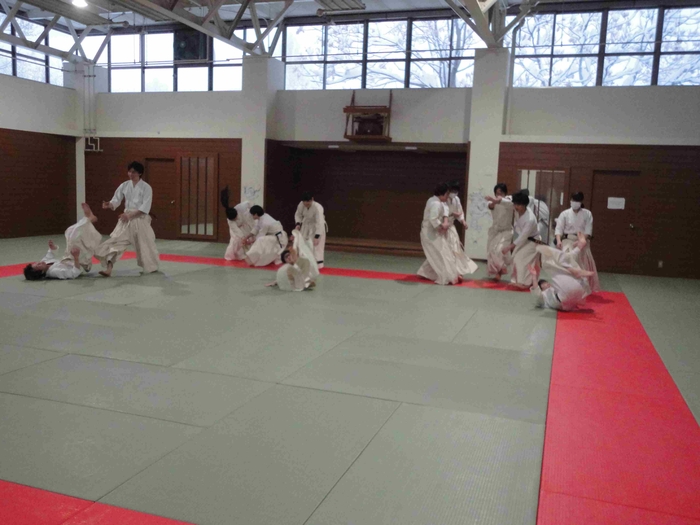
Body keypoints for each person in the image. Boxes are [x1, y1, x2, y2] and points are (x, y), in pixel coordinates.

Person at [94, 161, 159, 277]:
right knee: (116, 242)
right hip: (126, 219)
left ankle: (152, 267)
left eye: (133, 172)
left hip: (140, 220)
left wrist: (130, 215)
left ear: (140, 173)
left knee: (145, 245)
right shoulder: (124, 185)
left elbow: (145, 207)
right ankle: (109, 268)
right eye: (129, 171)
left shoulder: (146, 187)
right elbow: (116, 199)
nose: (131, 174)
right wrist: (109, 204)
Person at [23, 203, 103, 281]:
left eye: (36, 263)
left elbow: (50, 254)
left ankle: (89, 218)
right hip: (81, 262)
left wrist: (52, 248)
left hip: (69, 256)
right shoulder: (54, 272)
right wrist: (76, 257)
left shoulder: (45, 263)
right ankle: (89, 218)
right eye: (38, 266)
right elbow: (74, 273)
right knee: (75, 236)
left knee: (69, 232)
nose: (39, 263)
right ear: (42, 272)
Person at [528, 232, 594, 311]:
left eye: (547, 283)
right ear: (541, 289)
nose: (548, 284)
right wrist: (534, 277)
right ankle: (575, 265)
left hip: (576, 292)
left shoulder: (555, 286)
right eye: (545, 285)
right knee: (550, 263)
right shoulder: (544, 298)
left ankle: (579, 250)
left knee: (566, 259)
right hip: (563, 297)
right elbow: (537, 294)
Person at [554, 192, 600, 292]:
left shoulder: (587, 213)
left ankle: (583, 289)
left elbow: (588, 230)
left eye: (577, 200)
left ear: (581, 202)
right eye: (573, 200)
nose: (574, 202)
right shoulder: (565, 213)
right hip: (568, 240)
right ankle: (565, 287)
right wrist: (558, 241)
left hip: (582, 241)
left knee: (583, 265)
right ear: (570, 200)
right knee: (567, 264)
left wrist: (581, 241)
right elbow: (559, 229)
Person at [417, 183, 461, 285]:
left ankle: (425, 273)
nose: (448, 196)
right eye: (447, 194)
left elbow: (444, 213)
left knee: (441, 253)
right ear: (443, 194)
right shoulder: (436, 203)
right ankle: (445, 276)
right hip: (430, 234)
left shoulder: (433, 200)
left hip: (433, 232)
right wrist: (442, 226)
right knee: (440, 254)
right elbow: (433, 219)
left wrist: (443, 225)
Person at [503, 190, 540, 288]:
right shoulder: (517, 210)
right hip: (525, 240)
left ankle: (524, 283)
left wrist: (509, 247)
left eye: (518, 205)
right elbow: (508, 199)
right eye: (515, 204)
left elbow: (523, 236)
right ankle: (516, 280)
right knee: (515, 258)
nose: (516, 207)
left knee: (521, 259)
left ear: (524, 205)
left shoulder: (530, 219)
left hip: (533, 241)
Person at [446, 181, 478, 275]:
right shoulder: (444, 199)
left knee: (455, 248)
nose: (454, 193)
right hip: (444, 226)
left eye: (456, 191)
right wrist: (452, 213)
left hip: (451, 226)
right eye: (453, 191)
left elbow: (460, 212)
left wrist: (463, 221)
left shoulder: (456, 199)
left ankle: (456, 270)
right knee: (445, 249)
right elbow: (442, 212)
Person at [485, 183, 514, 280]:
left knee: (499, 250)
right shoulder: (492, 202)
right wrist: (494, 201)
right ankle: (499, 271)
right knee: (491, 251)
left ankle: (501, 271)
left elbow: (505, 201)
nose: (498, 195)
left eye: (501, 193)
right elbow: (490, 206)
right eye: (497, 193)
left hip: (506, 231)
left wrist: (497, 200)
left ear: (505, 193)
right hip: (495, 231)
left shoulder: (509, 200)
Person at [294, 191, 327, 269]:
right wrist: (298, 224)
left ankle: (318, 264)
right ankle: (304, 262)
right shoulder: (301, 204)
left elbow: (319, 222)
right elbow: (298, 214)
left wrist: (317, 236)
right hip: (306, 224)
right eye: (304, 202)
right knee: (303, 243)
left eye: (308, 202)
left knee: (316, 245)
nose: (306, 204)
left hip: (317, 226)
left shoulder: (318, 207)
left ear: (312, 199)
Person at [220, 187, 255, 261]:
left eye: (236, 217)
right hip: (237, 229)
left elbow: (249, 203)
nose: (235, 219)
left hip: (245, 223)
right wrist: (242, 238)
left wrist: (252, 211)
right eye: (234, 219)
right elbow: (236, 230)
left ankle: (247, 254)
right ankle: (230, 256)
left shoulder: (240, 207)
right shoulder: (230, 221)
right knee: (235, 240)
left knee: (249, 237)